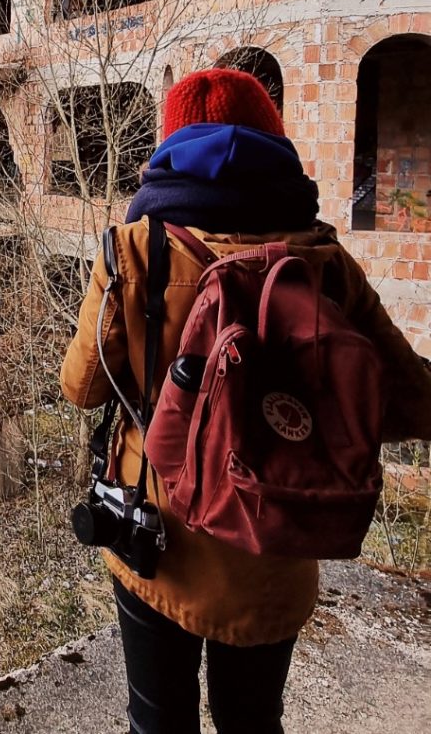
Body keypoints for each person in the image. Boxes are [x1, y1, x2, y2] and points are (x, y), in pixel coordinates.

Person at [60, 68, 431, 734]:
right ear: (276, 142)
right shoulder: (325, 263)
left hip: (160, 536)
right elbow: (411, 404)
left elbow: (80, 386)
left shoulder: (136, 250)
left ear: (169, 146)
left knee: (157, 720)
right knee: (254, 720)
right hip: (275, 542)